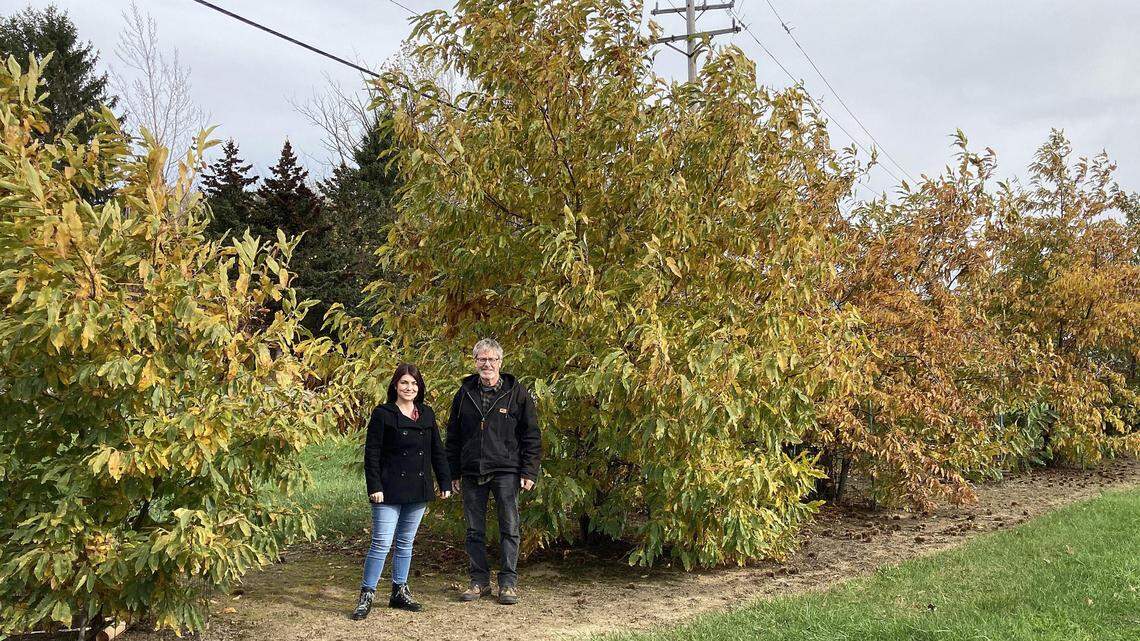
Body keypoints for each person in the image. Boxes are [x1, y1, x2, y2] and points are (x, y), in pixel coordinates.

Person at [350, 363, 451, 621]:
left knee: (406, 543)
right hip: (388, 489)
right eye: (405, 383)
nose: (409, 388)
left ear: (420, 388)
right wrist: (374, 487)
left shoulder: (426, 414)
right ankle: (367, 594)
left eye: (414, 384)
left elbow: (437, 451)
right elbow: (371, 454)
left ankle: (399, 591)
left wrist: (445, 482)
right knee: (382, 543)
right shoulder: (383, 414)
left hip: (418, 488)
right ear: (395, 385)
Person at [446, 338, 541, 605]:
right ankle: (479, 582)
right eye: (482, 359)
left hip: (506, 470)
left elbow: (531, 436)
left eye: (492, 359)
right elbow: (452, 435)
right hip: (471, 470)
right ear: (475, 362)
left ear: (501, 362)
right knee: (474, 530)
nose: (487, 364)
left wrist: (529, 471)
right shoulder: (464, 394)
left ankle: (508, 583)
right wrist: (453, 471)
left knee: (509, 527)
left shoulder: (517, 393)